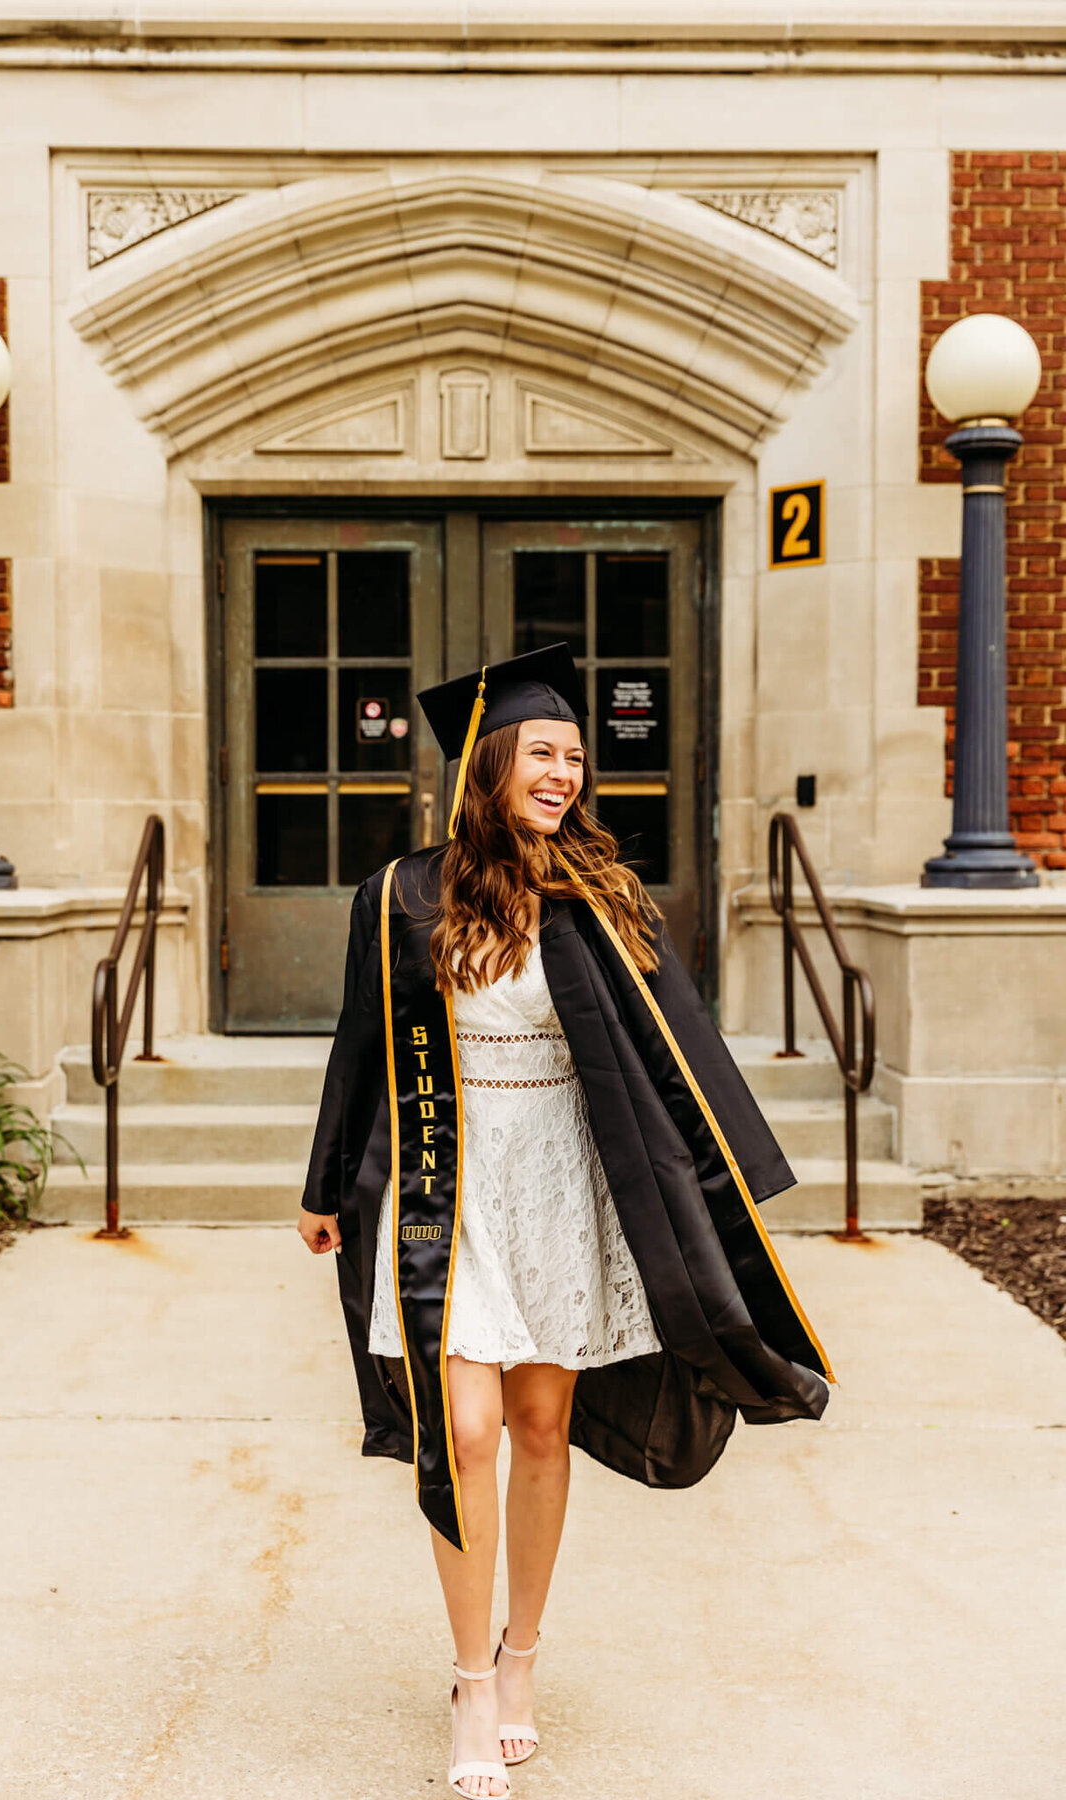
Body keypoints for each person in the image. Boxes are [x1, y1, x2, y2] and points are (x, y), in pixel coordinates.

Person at [298, 642, 832, 1799]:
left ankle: (522, 1655)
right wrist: (324, 1184)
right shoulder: (400, 893)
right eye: (543, 753)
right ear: (489, 767)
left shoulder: (596, 894)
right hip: (448, 1185)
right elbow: (359, 1048)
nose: (565, 775)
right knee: (466, 1434)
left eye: (576, 758)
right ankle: (469, 1681)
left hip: (560, 1184)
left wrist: (720, 1179)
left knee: (540, 1429)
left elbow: (673, 1049)